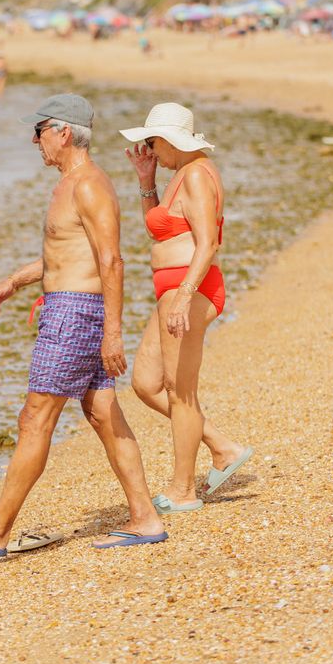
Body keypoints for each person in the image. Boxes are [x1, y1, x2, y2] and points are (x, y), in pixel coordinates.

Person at [0, 95, 167, 556]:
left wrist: (113, 333)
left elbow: (111, 260)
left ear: (64, 133)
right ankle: (144, 517)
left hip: (74, 314)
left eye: (39, 130)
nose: (33, 140)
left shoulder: (88, 185)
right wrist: (13, 282)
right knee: (103, 414)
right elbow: (62, 257)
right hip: (74, 308)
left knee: (34, 418)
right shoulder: (72, 184)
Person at [121, 103, 253, 514]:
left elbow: (207, 243)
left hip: (188, 292)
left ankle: (183, 490)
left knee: (181, 393)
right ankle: (222, 447)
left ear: (172, 140)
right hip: (175, 292)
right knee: (145, 383)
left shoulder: (196, 175)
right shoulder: (180, 175)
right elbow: (158, 228)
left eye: (153, 142)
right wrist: (147, 181)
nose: (149, 149)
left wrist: (182, 295)